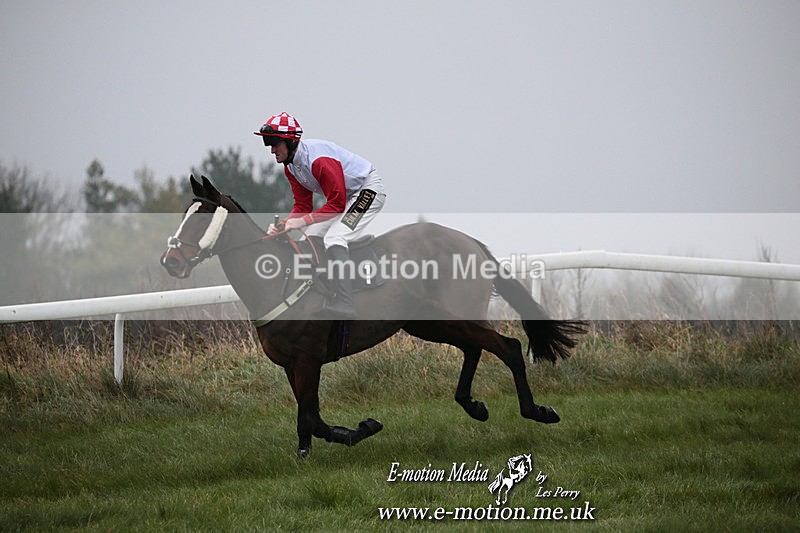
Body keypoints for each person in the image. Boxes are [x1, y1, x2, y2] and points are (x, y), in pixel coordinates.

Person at [255, 112, 386, 319]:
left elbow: (336, 204)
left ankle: (346, 303)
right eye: (268, 143)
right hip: (346, 197)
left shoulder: (318, 161)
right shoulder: (291, 167)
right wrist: (284, 224)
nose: (271, 150)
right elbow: (303, 206)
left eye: (274, 144)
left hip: (367, 191)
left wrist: (301, 221)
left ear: (289, 142)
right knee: (311, 236)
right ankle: (325, 290)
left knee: (335, 237)